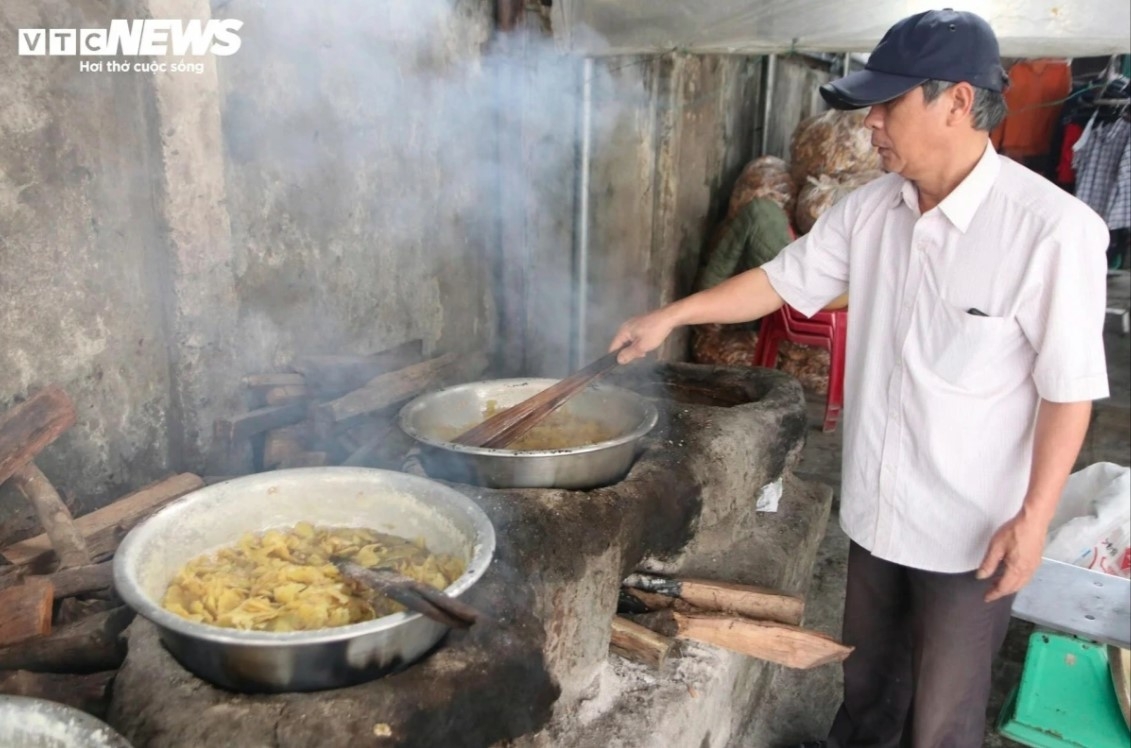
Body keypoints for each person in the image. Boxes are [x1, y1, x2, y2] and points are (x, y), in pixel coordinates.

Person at [609, 9, 1110, 747]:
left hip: (972, 531)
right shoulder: (871, 209)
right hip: (877, 513)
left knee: (940, 717)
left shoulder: (1051, 231)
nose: (870, 123)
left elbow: (1068, 391)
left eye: (888, 103)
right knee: (869, 689)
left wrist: (1033, 520)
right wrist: (669, 315)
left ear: (957, 101)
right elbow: (779, 283)